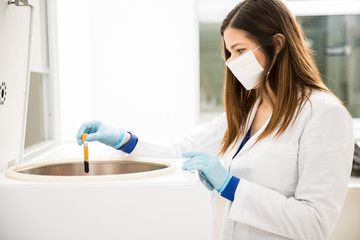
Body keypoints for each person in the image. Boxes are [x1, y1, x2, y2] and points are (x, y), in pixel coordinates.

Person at [76, 0, 355, 239]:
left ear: (278, 44)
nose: (232, 62)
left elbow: (315, 223)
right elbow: (179, 151)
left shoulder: (323, 114)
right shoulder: (249, 110)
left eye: (240, 50)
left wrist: (230, 185)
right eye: (229, 52)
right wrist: (123, 139)